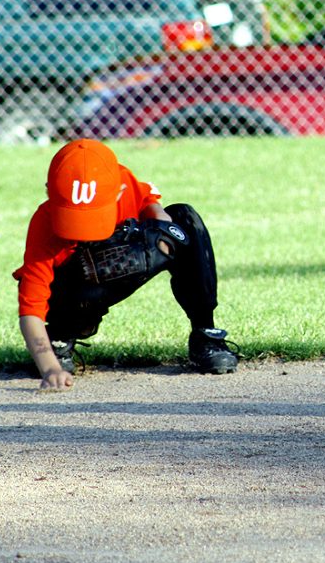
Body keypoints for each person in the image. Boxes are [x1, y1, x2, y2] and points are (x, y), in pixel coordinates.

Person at [14, 138, 238, 390]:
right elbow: (31, 310)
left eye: (94, 216)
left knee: (183, 219)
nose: (83, 230)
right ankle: (60, 338)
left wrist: (162, 229)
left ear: (119, 191)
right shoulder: (44, 226)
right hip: (69, 291)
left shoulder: (123, 181)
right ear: (48, 191)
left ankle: (206, 333)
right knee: (78, 267)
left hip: (111, 272)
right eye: (73, 218)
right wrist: (49, 367)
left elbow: (148, 202)